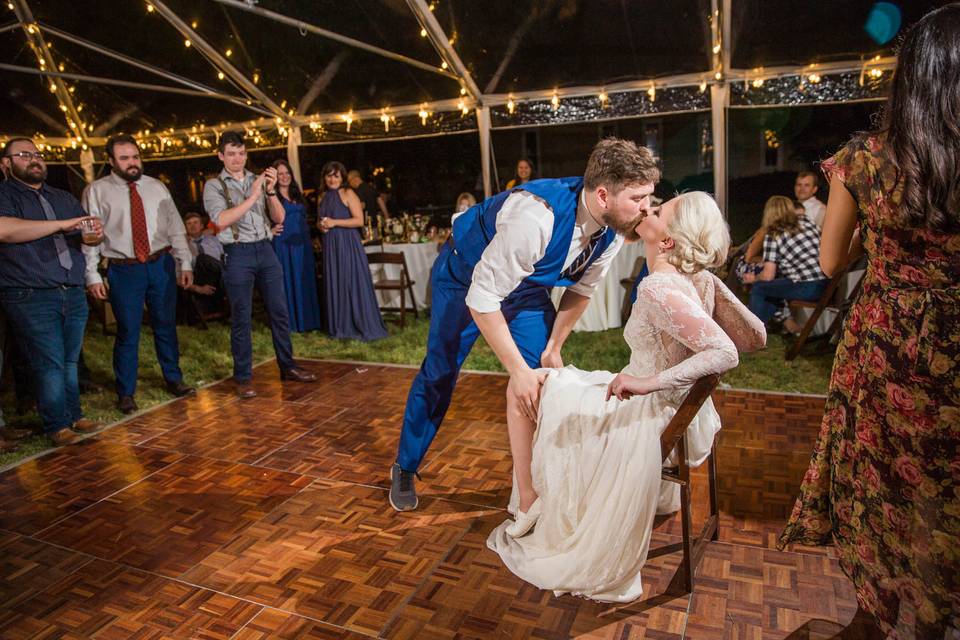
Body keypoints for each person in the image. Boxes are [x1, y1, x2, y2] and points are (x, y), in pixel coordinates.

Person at [779, 5, 960, 637]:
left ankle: (875, 618)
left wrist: (879, 232)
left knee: (880, 482)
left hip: (889, 345)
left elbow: (833, 258)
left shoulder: (867, 159)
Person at [488, 192, 765, 601]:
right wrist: (712, 287)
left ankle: (530, 501)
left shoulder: (658, 287)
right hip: (676, 410)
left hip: (644, 411)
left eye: (657, 211)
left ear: (667, 240)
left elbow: (727, 351)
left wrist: (647, 383)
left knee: (521, 383)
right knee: (555, 379)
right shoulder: (698, 280)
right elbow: (756, 336)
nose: (646, 210)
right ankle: (535, 496)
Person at [390, 138, 660, 512]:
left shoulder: (613, 227)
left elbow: (581, 289)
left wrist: (553, 348)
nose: (647, 209)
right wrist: (516, 370)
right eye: (639, 198)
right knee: (440, 372)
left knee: (546, 381)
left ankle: (535, 485)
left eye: (649, 196)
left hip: (526, 288)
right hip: (465, 279)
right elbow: (482, 298)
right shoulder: (536, 216)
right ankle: (405, 465)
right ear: (603, 195)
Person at [0, 137, 103, 445]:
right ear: (6, 164)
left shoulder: (62, 196)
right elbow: (5, 229)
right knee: (50, 361)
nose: (34, 159)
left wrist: (93, 236)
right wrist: (63, 224)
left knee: (70, 359)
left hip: (70, 289)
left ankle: (74, 415)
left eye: (37, 154)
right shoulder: (5, 194)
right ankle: (56, 424)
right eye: (24, 155)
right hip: (30, 291)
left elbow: (85, 236)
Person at [83, 134, 196, 414]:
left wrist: (185, 263)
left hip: (161, 265)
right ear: (110, 161)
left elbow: (176, 227)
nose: (132, 163)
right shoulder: (96, 191)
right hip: (124, 270)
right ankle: (126, 392)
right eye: (124, 158)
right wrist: (93, 275)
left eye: (135, 157)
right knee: (128, 331)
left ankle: (174, 379)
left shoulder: (157, 187)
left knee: (165, 325)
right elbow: (89, 238)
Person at [202, 132, 317, 399]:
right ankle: (243, 378)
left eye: (241, 153)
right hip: (237, 253)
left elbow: (279, 217)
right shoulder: (214, 186)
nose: (237, 159)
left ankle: (287, 366)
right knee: (241, 317)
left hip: (265, 250)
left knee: (280, 311)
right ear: (221, 156)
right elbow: (220, 219)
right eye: (231, 153)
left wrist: (270, 191)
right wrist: (253, 197)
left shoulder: (258, 180)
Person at [317, 161, 388, 341]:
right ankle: (339, 325)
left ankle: (359, 324)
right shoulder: (322, 196)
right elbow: (321, 220)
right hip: (330, 245)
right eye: (329, 175)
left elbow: (359, 221)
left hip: (348, 244)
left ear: (342, 177)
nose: (332, 179)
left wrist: (334, 222)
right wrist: (322, 226)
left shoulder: (348, 193)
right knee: (336, 282)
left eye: (336, 175)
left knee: (351, 282)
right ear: (324, 178)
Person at [743, 195, 829, 333]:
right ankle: (777, 325)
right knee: (774, 287)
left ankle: (753, 331)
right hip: (827, 285)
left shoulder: (774, 234)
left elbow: (768, 275)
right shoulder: (806, 222)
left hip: (807, 287)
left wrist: (753, 279)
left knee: (760, 287)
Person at [272, 159, 321, 333]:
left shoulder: (297, 194)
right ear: (275, 177)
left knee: (304, 277)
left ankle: (309, 321)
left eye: (287, 173)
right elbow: (262, 216)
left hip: (303, 242)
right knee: (288, 279)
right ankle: (293, 322)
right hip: (284, 243)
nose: (284, 177)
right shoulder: (271, 196)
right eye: (280, 174)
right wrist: (269, 229)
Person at [181, 211, 225, 320]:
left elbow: (224, 258)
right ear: (185, 228)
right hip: (198, 279)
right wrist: (198, 288)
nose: (193, 226)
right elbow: (177, 276)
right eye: (189, 224)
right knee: (201, 259)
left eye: (195, 222)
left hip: (218, 277)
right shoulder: (181, 246)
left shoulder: (215, 240)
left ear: (201, 226)